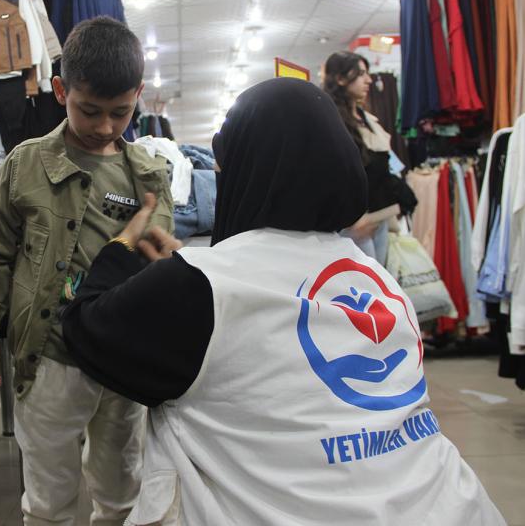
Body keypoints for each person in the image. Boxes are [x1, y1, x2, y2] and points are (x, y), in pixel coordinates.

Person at [60, 78, 504, 525]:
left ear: (245, 171)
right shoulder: (379, 280)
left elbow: (86, 327)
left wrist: (121, 248)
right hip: (453, 506)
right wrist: (182, 276)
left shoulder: (205, 286)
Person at [0, 16, 174, 525]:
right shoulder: (24, 165)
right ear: (61, 91)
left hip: (121, 360)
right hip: (49, 355)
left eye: (120, 112)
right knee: (47, 498)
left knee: (121, 489)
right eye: (90, 110)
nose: (104, 126)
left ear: (138, 96)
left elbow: (160, 270)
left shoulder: (149, 176)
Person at [322, 51, 416, 265]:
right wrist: (351, 219)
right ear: (341, 78)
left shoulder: (364, 118)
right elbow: (335, 174)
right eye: (361, 74)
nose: (368, 80)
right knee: (366, 279)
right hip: (355, 223)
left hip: (378, 216)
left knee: (380, 274)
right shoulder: (333, 120)